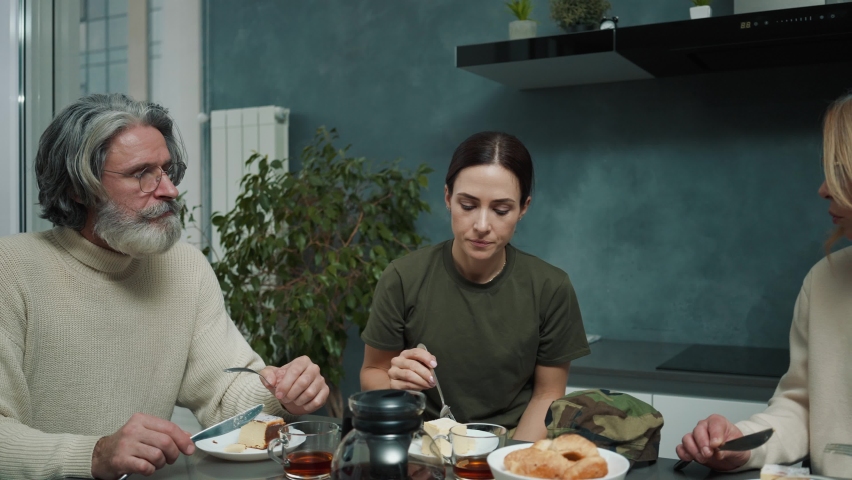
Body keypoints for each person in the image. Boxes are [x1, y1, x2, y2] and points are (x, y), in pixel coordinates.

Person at [0, 94, 329, 480]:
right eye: (142, 173)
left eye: (167, 170)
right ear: (78, 188)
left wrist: (283, 393)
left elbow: (225, 395)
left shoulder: (185, 267)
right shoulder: (11, 269)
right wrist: (94, 453)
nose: (170, 190)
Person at [359, 131, 591, 441]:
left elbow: (547, 394)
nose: (482, 225)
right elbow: (372, 372)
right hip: (423, 444)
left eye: (501, 210)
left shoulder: (551, 288)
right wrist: (394, 384)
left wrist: (509, 461)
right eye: (468, 205)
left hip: (511, 443)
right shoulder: (403, 278)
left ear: (523, 207)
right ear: (447, 198)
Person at [676, 93, 852, 475]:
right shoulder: (824, 280)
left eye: (840, 170)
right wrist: (741, 444)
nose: (823, 188)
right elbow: (803, 407)